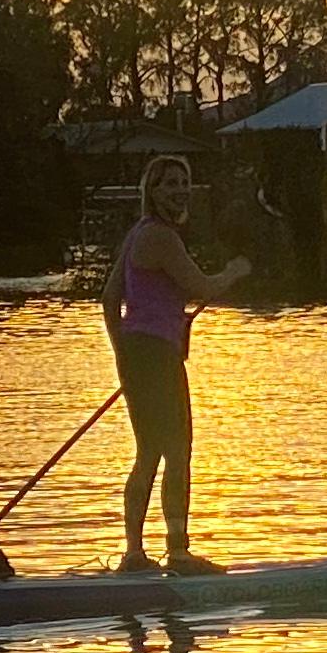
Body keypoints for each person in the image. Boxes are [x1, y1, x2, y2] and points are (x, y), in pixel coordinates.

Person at [105, 153, 250, 575]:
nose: (179, 190)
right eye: (170, 183)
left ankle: (134, 554)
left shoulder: (137, 235)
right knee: (177, 451)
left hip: (142, 354)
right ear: (152, 191)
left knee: (149, 452)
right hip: (154, 356)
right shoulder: (161, 237)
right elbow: (200, 285)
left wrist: (123, 354)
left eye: (184, 182)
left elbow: (110, 299)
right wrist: (234, 272)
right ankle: (179, 554)